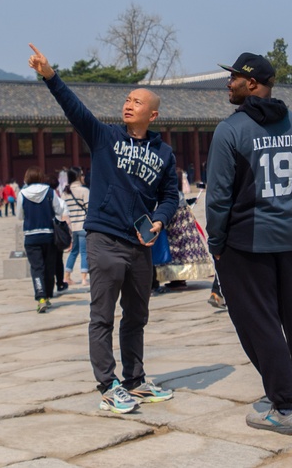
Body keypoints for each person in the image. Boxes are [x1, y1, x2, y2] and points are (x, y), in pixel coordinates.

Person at [28, 42, 178, 416]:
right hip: (105, 238)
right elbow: (74, 108)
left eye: (137, 102)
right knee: (103, 315)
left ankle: (135, 379)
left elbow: (170, 196)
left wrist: (159, 220)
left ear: (153, 115)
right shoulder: (105, 137)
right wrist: (50, 75)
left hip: (140, 243)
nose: (128, 104)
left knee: (137, 315)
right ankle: (108, 384)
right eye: (127, 99)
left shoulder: (164, 154)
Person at [205, 51, 292, 436]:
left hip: (246, 240)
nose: (228, 83)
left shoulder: (231, 130)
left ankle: (283, 405)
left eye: (235, 78)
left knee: (259, 322)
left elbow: (219, 196)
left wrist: (217, 241)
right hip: (288, 237)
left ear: (254, 84)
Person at [155, 168, 215, 288]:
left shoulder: (168, 193)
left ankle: (177, 279)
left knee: (175, 251)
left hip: (174, 223)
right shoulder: (178, 193)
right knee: (183, 251)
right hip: (184, 222)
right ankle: (179, 279)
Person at [21, 166, 67, 312]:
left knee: (36, 268)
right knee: (49, 268)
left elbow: (19, 215)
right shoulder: (49, 192)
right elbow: (59, 209)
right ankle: (47, 295)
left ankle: (40, 296)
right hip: (48, 234)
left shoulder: (22, 193)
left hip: (31, 236)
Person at [62, 167, 90, 287]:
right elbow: (89, 208)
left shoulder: (65, 192)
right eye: (82, 175)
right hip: (83, 225)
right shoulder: (84, 191)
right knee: (84, 252)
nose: (83, 177)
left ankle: (66, 276)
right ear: (78, 176)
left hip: (72, 227)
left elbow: (64, 211)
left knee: (73, 252)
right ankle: (84, 278)